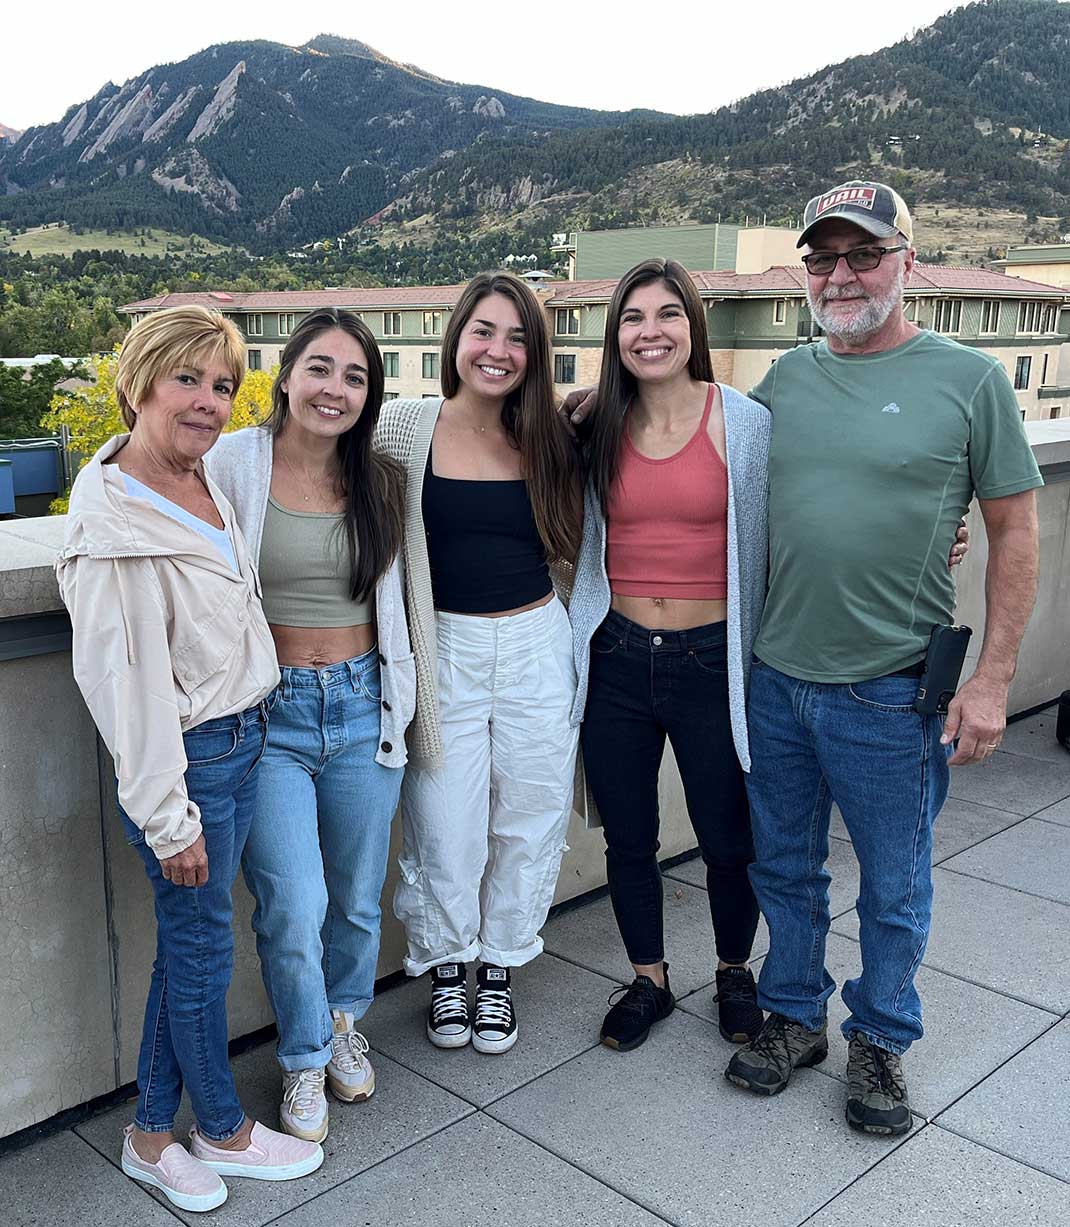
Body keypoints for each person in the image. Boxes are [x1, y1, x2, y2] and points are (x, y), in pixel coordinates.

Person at [721, 181, 1042, 1136]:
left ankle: (882, 1038)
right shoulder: (786, 378)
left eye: (862, 254)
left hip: (892, 692)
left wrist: (992, 680)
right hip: (777, 680)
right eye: (821, 259)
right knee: (784, 867)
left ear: (907, 262)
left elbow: (1016, 532)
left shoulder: (970, 381)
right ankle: (793, 1015)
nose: (841, 274)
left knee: (895, 883)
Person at [56, 306, 323, 1214]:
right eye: (187, 380)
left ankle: (147, 1134)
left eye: (222, 384)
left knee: (190, 944)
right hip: (191, 764)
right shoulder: (112, 529)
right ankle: (220, 1126)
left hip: (244, 738)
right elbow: (125, 695)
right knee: (203, 949)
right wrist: (170, 820)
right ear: (137, 383)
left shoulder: (201, 481)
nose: (209, 402)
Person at [205, 309, 413, 1143]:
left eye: (356, 376)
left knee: (358, 898)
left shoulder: (383, 479)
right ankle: (299, 1059)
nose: (336, 389)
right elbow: (154, 475)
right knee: (293, 901)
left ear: (370, 396)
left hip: (365, 705)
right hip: (269, 714)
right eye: (320, 369)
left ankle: (340, 1024)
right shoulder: (233, 463)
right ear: (284, 375)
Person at [375, 271, 582, 1055]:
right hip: (445, 649)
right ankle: (449, 967)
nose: (499, 351)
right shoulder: (403, 426)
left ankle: (498, 966)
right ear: (456, 338)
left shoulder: (551, 436)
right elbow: (311, 465)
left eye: (518, 337)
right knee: (443, 821)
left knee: (529, 815)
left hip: (537, 642)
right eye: (485, 332)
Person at [568, 258, 770, 1052]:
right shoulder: (593, 425)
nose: (649, 332)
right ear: (615, 336)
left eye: (667, 315)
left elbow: (807, 515)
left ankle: (732, 970)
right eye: (632, 318)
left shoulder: (746, 421)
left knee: (728, 836)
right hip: (615, 654)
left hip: (713, 659)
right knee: (628, 837)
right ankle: (648, 979)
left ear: (694, 327)